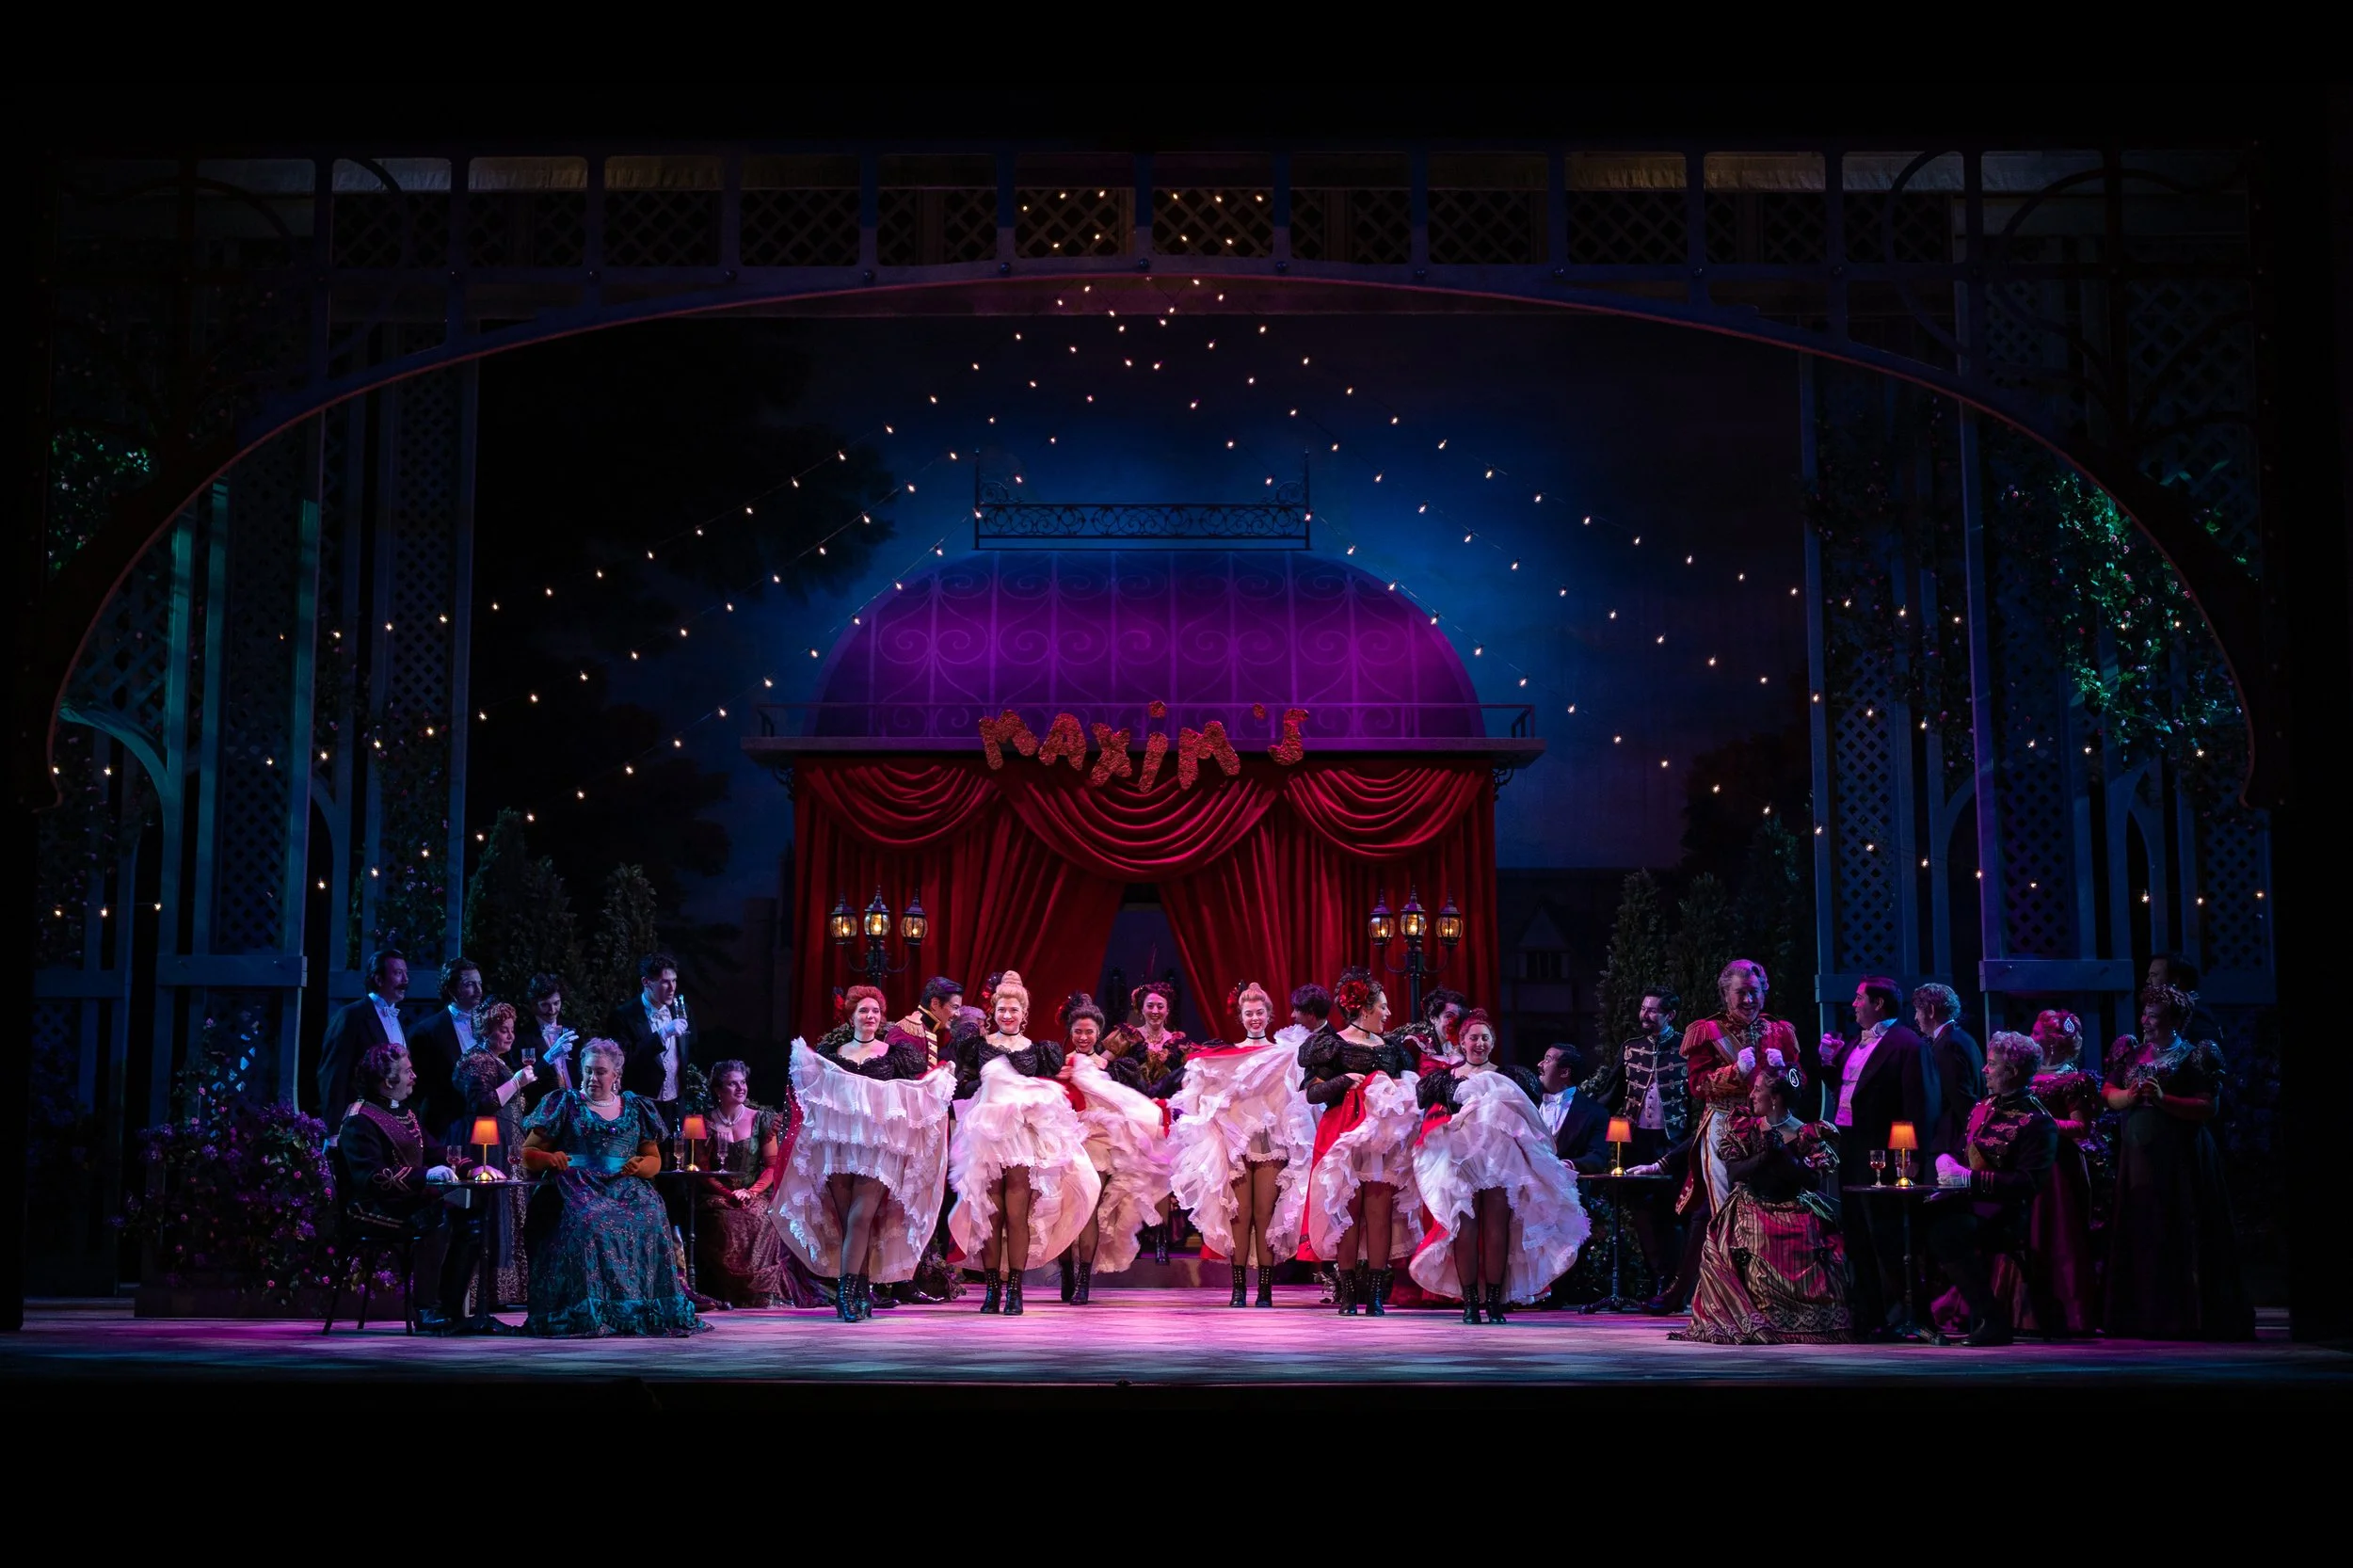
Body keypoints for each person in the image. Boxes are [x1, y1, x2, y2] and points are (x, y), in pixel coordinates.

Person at [775, 984, 955, 1321]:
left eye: (875, 1011)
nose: (870, 1016)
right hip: (840, 1146)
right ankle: (860, 1289)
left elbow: (914, 1092)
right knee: (848, 1220)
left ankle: (844, 1294)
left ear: (881, 1017)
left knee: (861, 1216)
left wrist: (941, 1078)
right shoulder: (832, 1055)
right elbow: (813, 1095)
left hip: (877, 1148)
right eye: (863, 1010)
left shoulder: (894, 1054)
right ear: (852, 1016)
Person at [1411, 1010, 1590, 1323]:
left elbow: (1528, 1114)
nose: (1479, 1043)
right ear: (1462, 1042)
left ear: (1492, 1043)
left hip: (1498, 1160)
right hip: (1461, 1161)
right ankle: (1470, 1302)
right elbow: (1429, 1112)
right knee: (1465, 1228)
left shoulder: (1510, 1076)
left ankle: (1494, 1301)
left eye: (1485, 1038)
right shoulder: (1445, 1078)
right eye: (1473, 1038)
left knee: (1497, 1227)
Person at [518, 1038, 704, 1336]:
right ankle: (593, 1308)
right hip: (579, 1185)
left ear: (616, 1074)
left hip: (625, 1186)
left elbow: (654, 1159)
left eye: (600, 1072)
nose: (593, 1077)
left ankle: (643, 1305)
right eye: (588, 1071)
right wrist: (550, 1158)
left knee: (652, 1214)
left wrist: (640, 1166)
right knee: (593, 1221)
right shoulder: (565, 1103)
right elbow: (528, 1153)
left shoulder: (635, 1107)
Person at [2103, 983, 2254, 1340]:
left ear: (2174, 1020)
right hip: (2138, 1158)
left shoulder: (2195, 1055)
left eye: (2154, 1016)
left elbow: (2207, 1107)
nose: (2145, 1021)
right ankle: (2140, 1316)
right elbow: (2108, 1093)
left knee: (2176, 1229)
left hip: (2178, 1161)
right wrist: (2129, 1096)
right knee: (2142, 1229)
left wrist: (2162, 1099)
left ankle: (2181, 1317)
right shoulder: (2131, 1053)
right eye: (2145, 1014)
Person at [949, 972, 1100, 1315]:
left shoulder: (1038, 1050)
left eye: (1013, 1010)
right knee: (991, 1213)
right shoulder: (979, 1046)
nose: (1007, 1015)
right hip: (987, 1136)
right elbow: (965, 1081)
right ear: (994, 1012)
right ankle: (992, 1289)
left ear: (1024, 1014)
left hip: (1021, 1138)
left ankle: (1015, 1290)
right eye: (1002, 1009)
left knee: (1017, 1213)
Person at [1670, 1064, 1851, 1344]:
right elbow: (1734, 1172)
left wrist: (1784, 1156)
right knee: (1755, 1236)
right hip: (1753, 1203)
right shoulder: (1746, 1127)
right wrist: (1765, 1156)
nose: (1751, 1095)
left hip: (1793, 1204)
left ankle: (1804, 1319)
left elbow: (1813, 1181)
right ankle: (1753, 1314)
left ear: (1774, 1098)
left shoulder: (1806, 1132)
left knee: (1814, 1236)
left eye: (1757, 1090)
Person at [1167, 981, 1318, 1308]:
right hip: (1235, 1143)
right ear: (1241, 1016)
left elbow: (1297, 1094)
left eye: (1259, 1012)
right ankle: (1238, 1289)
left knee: (1265, 1214)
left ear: (1269, 1015)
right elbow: (1209, 1088)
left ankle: (1264, 1289)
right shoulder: (1227, 1056)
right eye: (1249, 1013)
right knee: (1239, 1214)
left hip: (1270, 1140)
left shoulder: (1282, 1054)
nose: (1254, 1018)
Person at [1918, 1031, 2057, 1346]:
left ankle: (1992, 1320)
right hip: (1969, 1204)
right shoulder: (1984, 1107)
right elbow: (1963, 1152)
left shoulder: (2038, 1121)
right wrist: (1946, 1164)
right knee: (1914, 1218)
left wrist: (1970, 1180)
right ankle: (1916, 1317)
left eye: (1992, 1064)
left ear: (2012, 1071)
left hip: (2006, 1213)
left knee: (1946, 1231)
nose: (1984, 1070)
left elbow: (2028, 1183)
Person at [1817, 974, 1938, 1336]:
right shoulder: (1856, 1042)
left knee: (1885, 1232)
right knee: (1855, 1230)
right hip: (1852, 1146)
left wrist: (1910, 1155)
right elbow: (1847, 1091)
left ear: (1878, 1003)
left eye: (1859, 998)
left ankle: (1902, 1313)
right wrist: (1828, 1063)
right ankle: (1867, 1314)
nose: (1854, 1005)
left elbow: (1920, 1104)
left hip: (1885, 1150)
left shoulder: (1907, 1044)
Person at [1299, 970, 1423, 1315]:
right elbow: (1312, 1094)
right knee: (1347, 1212)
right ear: (1365, 1009)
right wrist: (1342, 1081)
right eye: (1383, 1007)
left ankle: (1377, 1294)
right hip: (1345, 1134)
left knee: (1379, 1213)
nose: (1388, 1013)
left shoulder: (1392, 1049)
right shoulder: (1333, 1044)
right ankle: (1349, 1293)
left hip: (1382, 1140)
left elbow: (1407, 1089)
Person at [334, 1041, 475, 1331]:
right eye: (407, 1071)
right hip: (370, 1208)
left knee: (471, 1218)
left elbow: (435, 1151)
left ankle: (450, 1309)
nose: (414, 1077)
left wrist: (472, 1167)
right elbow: (372, 1178)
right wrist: (425, 1176)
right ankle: (426, 1309)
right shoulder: (359, 1119)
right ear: (388, 1081)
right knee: (437, 1218)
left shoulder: (404, 1111)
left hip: (407, 1202)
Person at [1988, 1008, 2103, 1336]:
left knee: (2054, 1233)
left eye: (2037, 1033)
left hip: (2056, 1166)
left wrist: (2039, 1125)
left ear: (2052, 1043)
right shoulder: (2023, 1075)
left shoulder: (2073, 1080)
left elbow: (2081, 1127)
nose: (2032, 1036)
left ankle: (2061, 1312)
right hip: (2023, 1161)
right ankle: (2013, 1309)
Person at [1054, 993, 1174, 1304]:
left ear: (1098, 1034)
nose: (1083, 1037)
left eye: (1089, 1032)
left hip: (1098, 1145)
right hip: (1065, 1143)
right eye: (1078, 1032)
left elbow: (1127, 1106)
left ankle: (1084, 1281)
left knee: (1089, 1209)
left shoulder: (1110, 1069)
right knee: (1063, 1209)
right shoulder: (1057, 1063)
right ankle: (1066, 1273)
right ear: (1070, 1032)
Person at [448, 1000, 537, 1311]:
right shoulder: (477, 1060)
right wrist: (517, 1082)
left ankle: (504, 1291)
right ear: (486, 1031)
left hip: (505, 1144)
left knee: (508, 1211)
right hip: (487, 1145)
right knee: (494, 1210)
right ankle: (485, 1291)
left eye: (512, 1029)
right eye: (503, 1030)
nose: (510, 1035)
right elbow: (482, 1103)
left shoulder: (494, 1059)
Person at [695, 1059, 791, 1309]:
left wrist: (751, 1191)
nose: (741, 1088)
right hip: (718, 1194)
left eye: (743, 1082)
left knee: (761, 1217)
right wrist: (728, 1193)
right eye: (732, 1084)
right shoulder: (704, 1123)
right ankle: (728, 1291)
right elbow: (701, 1171)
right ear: (718, 1090)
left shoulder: (761, 1120)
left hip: (753, 1192)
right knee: (724, 1221)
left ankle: (760, 1292)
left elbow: (772, 1166)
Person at [317, 948, 408, 1132]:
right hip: (360, 1124)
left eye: (406, 973)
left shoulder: (395, 1017)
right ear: (379, 979)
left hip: (392, 1123)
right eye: (398, 973)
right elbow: (333, 1075)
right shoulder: (351, 1016)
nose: (405, 980)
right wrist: (333, 1130)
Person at [401, 956, 481, 1140]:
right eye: (470, 984)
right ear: (451, 990)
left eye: (479, 983)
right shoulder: (427, 1031)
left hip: (485, 1123)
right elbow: (420, 1088)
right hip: (446, 1126)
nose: (478, 990)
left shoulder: (488, 1024)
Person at [610, 953, 694, 1109]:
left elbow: (688, 1052)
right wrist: (662, 1034)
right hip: (641, 1104)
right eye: (665, 982)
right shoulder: (624, 1015)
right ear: (646, 982)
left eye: (674, 980)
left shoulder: (681, 1009)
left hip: (676, 1102)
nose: (672, 988)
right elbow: (624, 1060)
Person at [1913, 983, 1984, 1160]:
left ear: (1930, 1010)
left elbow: (1961, 1098)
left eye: (1917, 1010)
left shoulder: (1947, 1045)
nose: (1915, 1017)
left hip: (1951, 1145)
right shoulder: (1964, 1038)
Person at [525, 972, 577, 1106]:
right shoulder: (523, 1037)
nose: (552, 1010)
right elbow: (525, 1082)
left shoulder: (572, 1028)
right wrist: (549, 1056)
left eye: (556, 1003)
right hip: (544, 1107)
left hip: (576, 1104)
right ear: (534, 1005)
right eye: (545, 1005)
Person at [1390, 986, 1467, 1070]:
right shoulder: (1416, 1044)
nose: (1454, 1022)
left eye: (1458, 1018)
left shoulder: (1461, 1047)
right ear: (1433, 1018)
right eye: (1449, 1016)